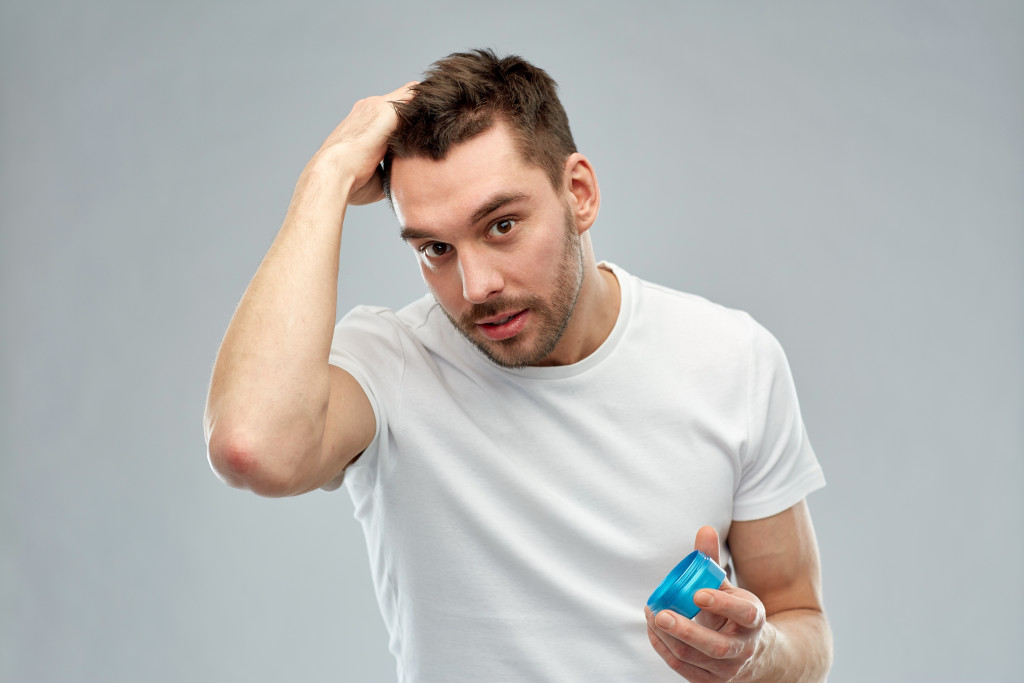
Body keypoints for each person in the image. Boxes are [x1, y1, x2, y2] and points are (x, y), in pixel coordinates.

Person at [204, 49, 833, 682]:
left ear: (578, 193)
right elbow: (253, 446)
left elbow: (799, 617)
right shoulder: (391, 361)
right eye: (435, 248)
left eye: (502, 225)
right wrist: (327, 177)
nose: (475, 285)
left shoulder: (732, 357)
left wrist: (754, 657)